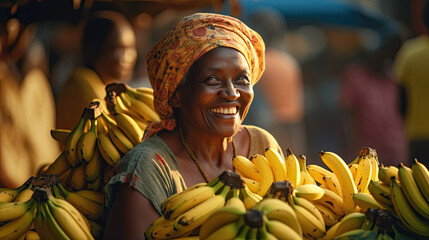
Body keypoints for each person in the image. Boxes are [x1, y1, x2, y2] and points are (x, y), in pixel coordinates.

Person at [103, 12, 284, 239]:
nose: (231, 93)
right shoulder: (149, 168)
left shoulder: (263, 147)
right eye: (213, 80)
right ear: (176, 94)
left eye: (242, 79)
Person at [55, 10, 137, 130]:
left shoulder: (107, 88)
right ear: (95, 49)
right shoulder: (81, 83)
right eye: (116, 48)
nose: (126, 57)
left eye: (130, 48)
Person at [244, 8, 307, 156]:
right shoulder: (289, 62)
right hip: (291, 131)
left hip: (266, 132)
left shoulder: (257, 64)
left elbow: (258, 113)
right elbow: (297, 113)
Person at [339, 34, 408, 166]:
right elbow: (344, 114)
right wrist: (347, 148)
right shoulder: (355, 76)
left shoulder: (395, 78)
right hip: (365, 154)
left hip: (396, 152)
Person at [393, 1, 429, 167]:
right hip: (417, 134)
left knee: (419, 190)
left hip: (418, 135)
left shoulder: (409, 52)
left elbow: (401, 102)